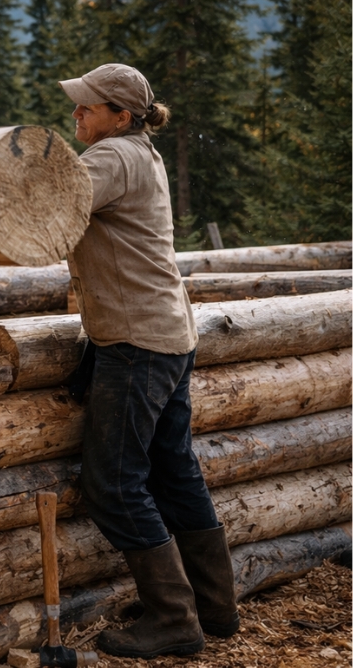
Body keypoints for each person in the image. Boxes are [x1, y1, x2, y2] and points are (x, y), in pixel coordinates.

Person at [58, 64, 239, 658]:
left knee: (112, 483)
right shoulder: (142, 153)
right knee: (173, 470)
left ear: (122, 116)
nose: (78, 115)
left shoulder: (112, 159)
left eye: (88, 108)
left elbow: (48, 202)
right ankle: (214, 609)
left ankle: (173, 620)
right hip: (169, 335)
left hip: (137, 343)